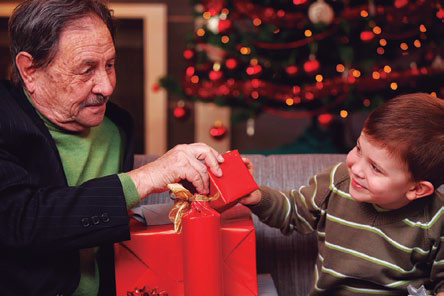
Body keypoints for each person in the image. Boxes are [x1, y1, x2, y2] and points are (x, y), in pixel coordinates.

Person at [0, 0, 224, 295]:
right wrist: (146, 177)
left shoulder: (117, 126)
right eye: (86, 70)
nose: (106, 86)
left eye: (110, 64)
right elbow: (19, 221)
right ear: (29, 70)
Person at [241, 93, 444, 295]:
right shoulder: (337, 181)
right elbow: (294, 210)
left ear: (416, 189)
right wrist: (257, 196)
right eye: (358, 149)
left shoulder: (436, 220)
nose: (356, 169)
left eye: (375, 168)